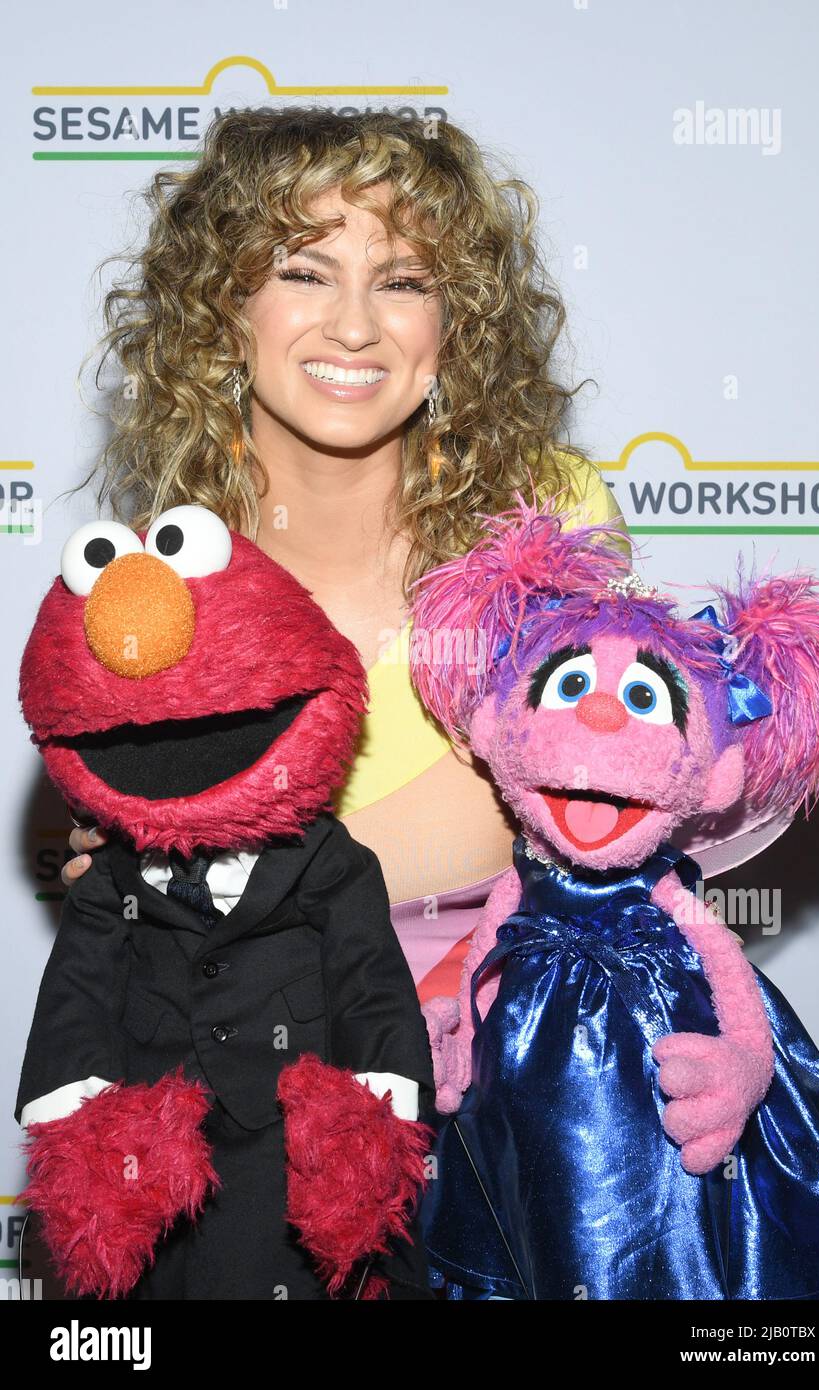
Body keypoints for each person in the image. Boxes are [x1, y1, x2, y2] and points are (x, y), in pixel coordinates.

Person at [60, 104, 629, 1006]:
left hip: (514, 1047)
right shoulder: (162, 580)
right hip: (263, 1054)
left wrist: (198, 857)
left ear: (457, 325)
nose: (355, 327)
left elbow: (593, 801)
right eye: (304, 273)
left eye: (404, 282)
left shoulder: (544, 513)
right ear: (221, 310)